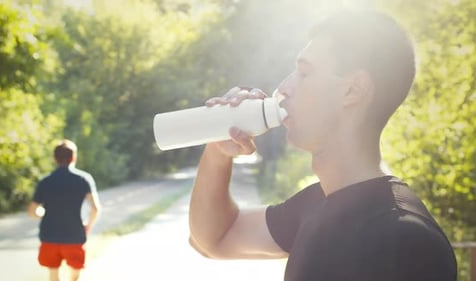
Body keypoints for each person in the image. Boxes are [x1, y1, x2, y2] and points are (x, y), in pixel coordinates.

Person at [188, 9, 457, 281]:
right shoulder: (319, 202)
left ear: (352, 90)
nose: (283, 88)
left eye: (304, 73)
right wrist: (218, 151)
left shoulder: (406, 240)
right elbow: (215, 237)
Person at [28, 139, 101, 281]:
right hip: (74, 235)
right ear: (74, 157)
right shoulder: (83, 179)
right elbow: (95, 208)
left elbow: (32, 211)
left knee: (53, 272)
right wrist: (88, 226)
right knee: (75, 271)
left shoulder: (45, 181)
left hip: (49, 236)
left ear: (54, 159)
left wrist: (43, 214)